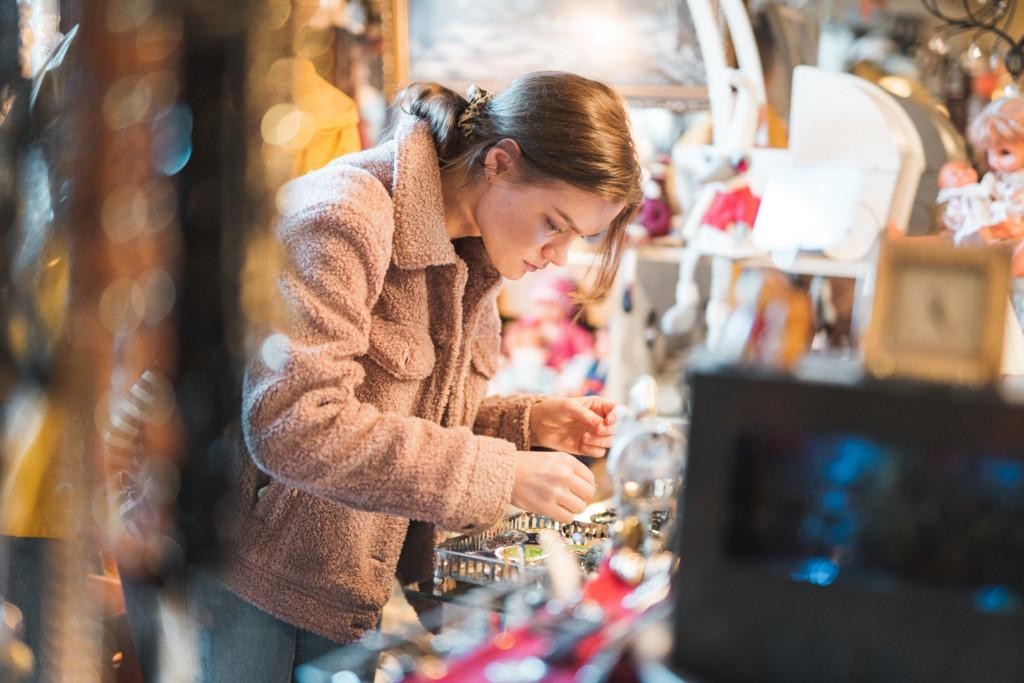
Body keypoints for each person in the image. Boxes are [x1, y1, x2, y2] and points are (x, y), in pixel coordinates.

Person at [193, 71, 643, 681]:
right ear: (500, 163)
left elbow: (398, 410)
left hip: (339, 577)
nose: (559, 255)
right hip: (241, 570)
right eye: (554, 223)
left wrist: (526, 423)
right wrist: (502, 471)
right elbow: (295, 424)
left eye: (577, 236)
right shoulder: (343, 218)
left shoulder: (474, 251)